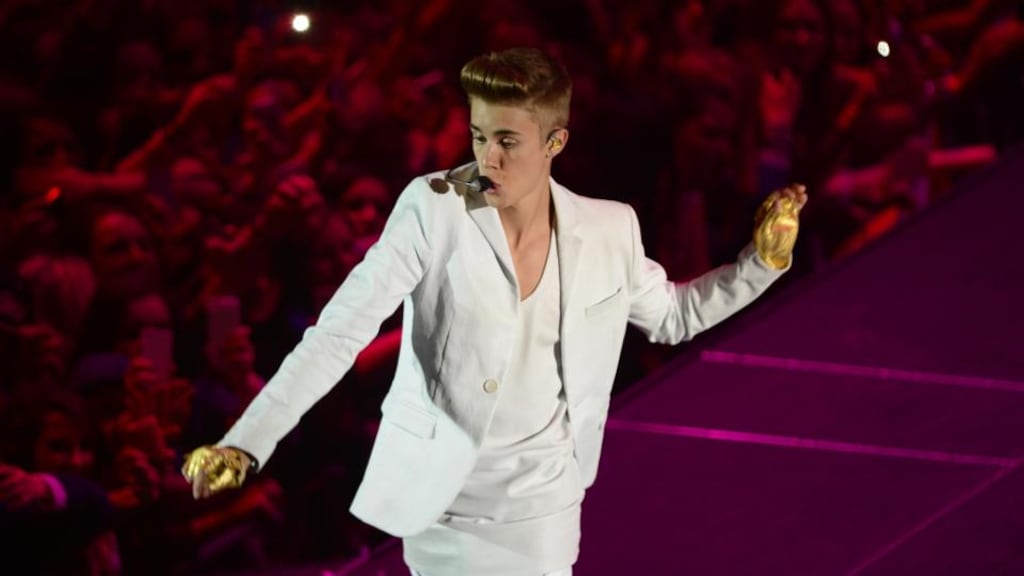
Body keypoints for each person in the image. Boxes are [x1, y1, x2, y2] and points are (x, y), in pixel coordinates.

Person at [182, 46, 807, 576]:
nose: (489, 159)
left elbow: (675, 316)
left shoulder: (609, 229)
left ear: (555, 141)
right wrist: (245, 445)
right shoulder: (432, 208)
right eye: (479, 137)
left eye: (508, 141)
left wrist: (760, 263)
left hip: (543, 504)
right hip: (441, 499)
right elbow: (338, 334)